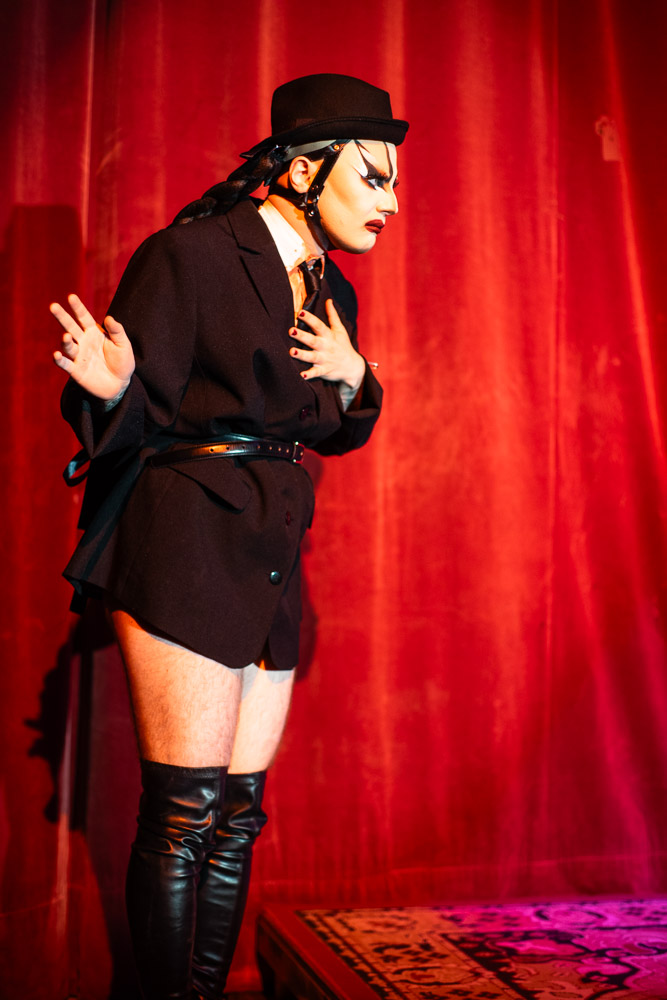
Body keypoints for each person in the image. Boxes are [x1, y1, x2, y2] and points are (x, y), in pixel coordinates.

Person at [50, 73, 408, 1000]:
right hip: (187, 537)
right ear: (302, 170)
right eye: (373, 176)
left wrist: (355, 377)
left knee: (237, 816)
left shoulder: (332, 290)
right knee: (183, 813)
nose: (390, 202)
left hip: (272, 546)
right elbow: (138, 413)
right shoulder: (193, 254)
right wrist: (112, 390)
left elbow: (330, 429)